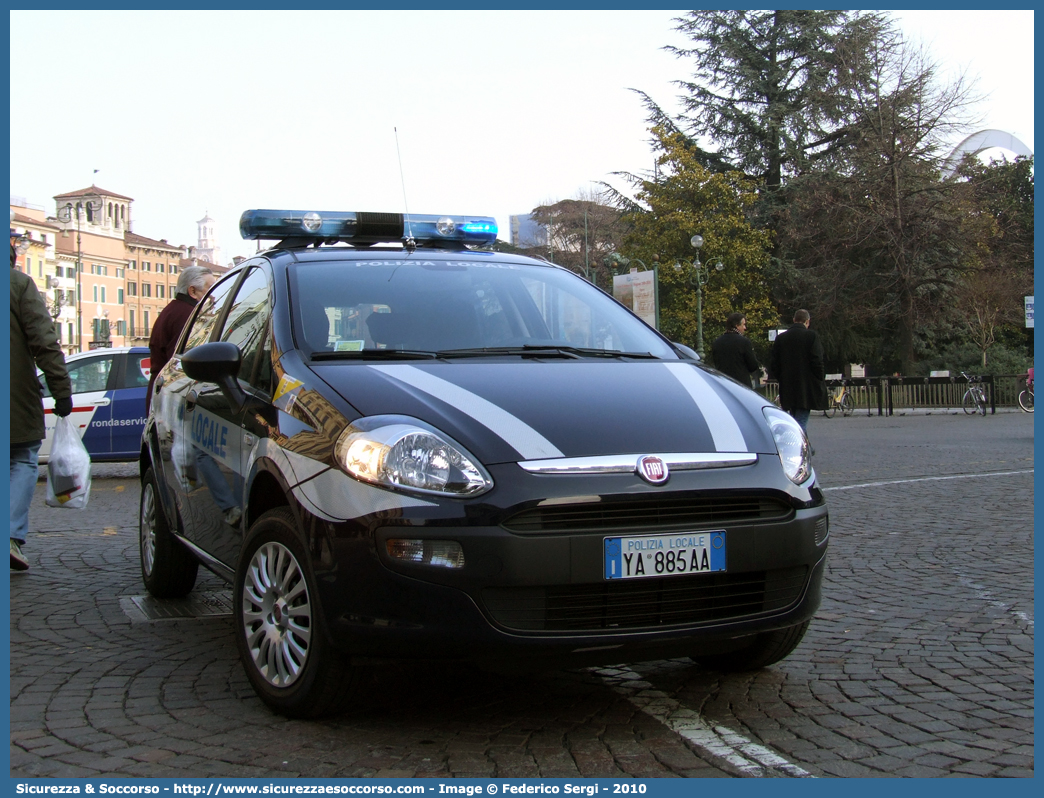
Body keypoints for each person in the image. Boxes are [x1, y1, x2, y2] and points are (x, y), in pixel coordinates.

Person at [10, 231, 73, 570]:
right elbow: (45, 344)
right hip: (14, 399)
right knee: (20, 460)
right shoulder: (18, 285)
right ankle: (10, 536)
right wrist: (61, 391)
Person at [145, 265, 216, 411]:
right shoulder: (187, 316)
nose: (213, 296)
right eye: (210, 289)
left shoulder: (172, 310)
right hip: (173, 398)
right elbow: (183, 362)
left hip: (162, 391)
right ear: (192, 291)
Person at [768, 309, 828, 437]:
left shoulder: (781, 338)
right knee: (800, 420)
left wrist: (781, 378)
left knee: (794, 418)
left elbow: (774, 364)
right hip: (806, 386)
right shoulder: (811, 337)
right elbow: (817, 361)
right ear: (807, 321)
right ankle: (798, 445)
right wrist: (819, 378)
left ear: (794, 320)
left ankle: (805, 447)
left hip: (788, 386)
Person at [711, 312, 761, 389]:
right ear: (737, 325)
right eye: (743, 324)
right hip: (742, 385)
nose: (745, 328)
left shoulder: (717, 342)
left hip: (723, 384)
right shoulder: (744, 342)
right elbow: (753, 366)